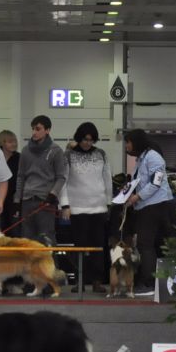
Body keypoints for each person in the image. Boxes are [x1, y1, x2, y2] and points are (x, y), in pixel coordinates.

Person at [60, 122, 111, 294]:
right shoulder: (67, 156)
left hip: (98, 208)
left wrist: (108, 202)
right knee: (79, 247)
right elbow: (63, 182)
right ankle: (80, 281)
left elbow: (107, 179)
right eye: (84, 139)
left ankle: (97, 281)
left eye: (91, 140)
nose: (87, 143)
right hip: (77, 208)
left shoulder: (101, 154)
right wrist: (65, 205)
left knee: (98, 247)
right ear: (78, 138)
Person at [123, 129, 175, 297]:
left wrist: (137, 196)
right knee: (146, 245)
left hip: (155, 206)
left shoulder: (154, 157)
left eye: (128, 142)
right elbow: (139, 181)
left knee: (146, 245)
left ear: (136, 141)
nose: (127, 145)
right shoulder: (141, 158)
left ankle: (148, 283)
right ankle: (147, 280)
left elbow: (156, 183)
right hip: (145, 206)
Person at [14, 114, 66, 246]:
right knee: (26, 239)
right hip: (27, 201)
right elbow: (20, 176)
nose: (34, 132)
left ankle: (51, 266)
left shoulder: (56, 151)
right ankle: (28, 267)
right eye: (33, 129)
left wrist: (53, 194)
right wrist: (16, 199)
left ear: (47, 130)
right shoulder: (25, 151)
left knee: (46, 237)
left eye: (38, 129)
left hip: (45, 201)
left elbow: (61, 177)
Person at [0, 129, 20, 233]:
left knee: (14, 230)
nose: (14, 144)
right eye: (10, 142)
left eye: (15, 141)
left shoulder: (20, 158)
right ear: (2, 143)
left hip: (13, 200)